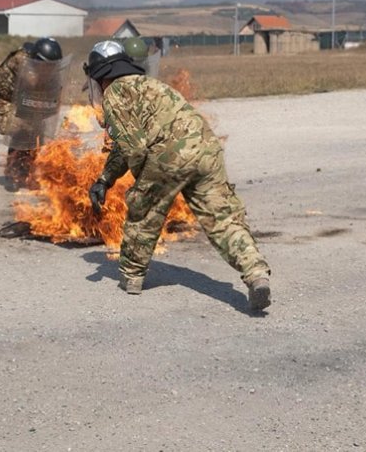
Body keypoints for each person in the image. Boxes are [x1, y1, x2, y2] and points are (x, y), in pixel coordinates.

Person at [83, 40, 272, 311]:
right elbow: (126, 146)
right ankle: (256, 274)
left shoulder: (114, 93)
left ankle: (132, 277)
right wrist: (105, 178)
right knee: (222, 218)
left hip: (169, 155)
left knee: (142, 212)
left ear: (101, 77)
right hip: (207, 149)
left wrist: (145, 190)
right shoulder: (151, 85)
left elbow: (132, 148)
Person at [0, 37, 64, 191]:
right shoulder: (21, 62)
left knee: (36, 133)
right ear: (37, 60)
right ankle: (12, 174)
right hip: (8, 99)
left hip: (29, 100)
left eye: (53, 66)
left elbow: (52, 91)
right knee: (20, 128)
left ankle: (27, 173)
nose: (50, 69)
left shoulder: (47, 70)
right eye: (47, 65)